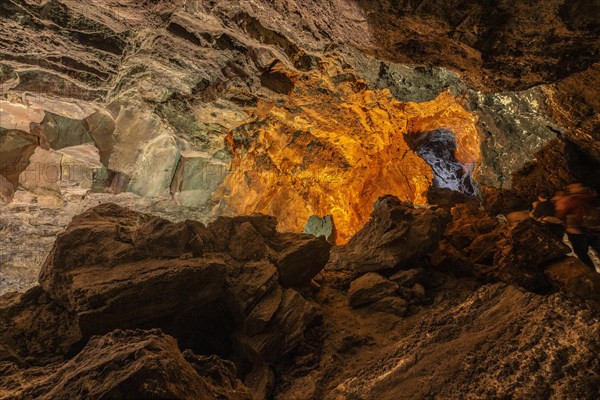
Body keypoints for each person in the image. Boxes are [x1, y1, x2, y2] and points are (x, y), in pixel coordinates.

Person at [555, 183, 597, 269]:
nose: (570, 189)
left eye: (572, 188)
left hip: (576, 230)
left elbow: (560, 215)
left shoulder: (571, 200)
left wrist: (560, 205)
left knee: (582, 254)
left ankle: (593, 275)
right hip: (593, 228)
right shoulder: (591, 195)